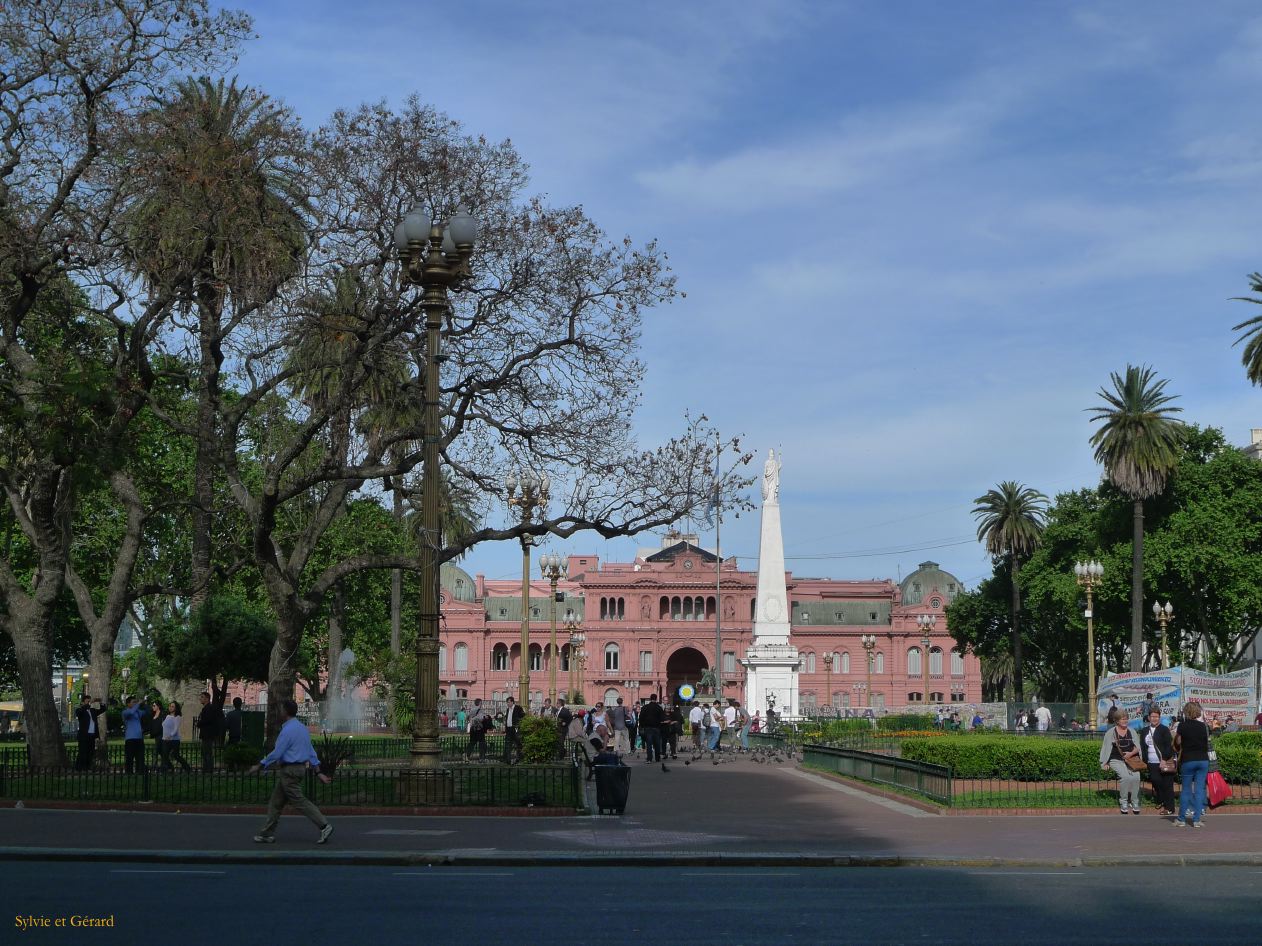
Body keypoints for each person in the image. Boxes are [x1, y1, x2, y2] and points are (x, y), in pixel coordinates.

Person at [250, 699, 333, 844]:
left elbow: (277, 753)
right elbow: (311, 751)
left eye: (281, 709)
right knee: (276, 802)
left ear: (285, 712)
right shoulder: (302, 728)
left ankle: (324, 825)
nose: (279, 712)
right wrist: (318, 772)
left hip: (290, 770)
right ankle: (266, 833)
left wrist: (260, 765)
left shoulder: (287, 730)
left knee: (299, 801)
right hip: (299, 769)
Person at [1173, 701, 1211, 828]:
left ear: (1186, 712)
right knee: (1200, 789)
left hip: (1188, 759)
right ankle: (1196, 820)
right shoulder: (1203, 726)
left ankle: (1181, 819)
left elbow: (1178, 742)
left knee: (1186, 790)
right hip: (1203, 759)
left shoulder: (1182, 726)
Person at [1099, 709, 1143, 814]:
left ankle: (1134, 801)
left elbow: (1138, 747)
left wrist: (1130, 754)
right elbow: (1105, 748)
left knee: (1136, 776)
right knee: (1125, 777)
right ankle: (1123, 801)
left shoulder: (1132, 731)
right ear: (1117, 721)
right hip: (1116, 759)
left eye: (1126, 719)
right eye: (1123, 719)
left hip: (1130, 759)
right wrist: (1104, 762)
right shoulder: (1111, 732)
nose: (1125, 721)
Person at [1139, 708, 1177, 816]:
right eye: (1152, 716)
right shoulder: (1144, 731)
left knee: (1167, 785)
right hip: (1151, 762)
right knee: (1156, 781)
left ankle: (1169, 808)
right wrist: (1144, 760)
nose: (1154, 719)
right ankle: (1161, 799)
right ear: (1149, 718)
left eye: (1156, 716)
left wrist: (1164, 759)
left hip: (1164, 761)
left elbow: (1168, 746)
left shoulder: (1164, 730)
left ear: (1159, 718)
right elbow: (1143, 746)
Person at [74, 696, 106, 771]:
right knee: (83, 752)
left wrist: (100, 702)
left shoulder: (92, 711)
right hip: (83, 735)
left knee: (90, 752)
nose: (89, 703)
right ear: (82, 702)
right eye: (87, 701)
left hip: (92, 735)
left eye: (89, 701)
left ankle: (88, 767)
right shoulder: (80, 710)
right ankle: (80, 767)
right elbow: (79, 713)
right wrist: (89, 704)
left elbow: (103, 709)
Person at [195, 692, 223, 774]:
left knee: (207, 752)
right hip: (207, 734)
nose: (200, 699)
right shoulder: (207, 708)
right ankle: (206, 768)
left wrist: (199, 723)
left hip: (208, 734)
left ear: (207, 698)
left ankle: (208, 769)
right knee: (205, 752)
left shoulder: (208, 708)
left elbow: (207, 720)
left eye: (202, 697)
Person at [161, 701, 192, 772]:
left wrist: (170, 736)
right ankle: (168, 770)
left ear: (176, 708)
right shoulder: (167, 716)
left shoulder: (177, 717)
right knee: (164, 756)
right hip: (165, 740)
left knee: (176, 756)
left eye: (172, 706)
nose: (170, 708)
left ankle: (187, 768)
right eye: (170, 706)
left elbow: (175, 729)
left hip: (174, 740)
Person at [121, 696, 148, 775]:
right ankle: (129, 772)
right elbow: (131, 712)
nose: (135, 703)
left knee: (140, 757)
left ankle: (139, 772)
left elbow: (146, 712)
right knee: (129, 757)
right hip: (130, 738)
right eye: (133, 702)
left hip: (139, 738)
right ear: (128, 704)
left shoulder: (138, 712)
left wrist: (144, 703)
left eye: (135, 702)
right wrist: (138, 704)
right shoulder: (125, 712)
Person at [638, 693, 664, 763]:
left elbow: (641, 718)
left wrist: (641, 726)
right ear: (656, 699)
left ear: (650, 698)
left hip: (647, 728)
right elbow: (662, 719)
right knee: (657, 744)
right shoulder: (659, 708)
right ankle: (657, 758)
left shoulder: (645, 707)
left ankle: (649, 758)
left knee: (649, 744)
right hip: (657, 728)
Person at [502, 696, 524, 764]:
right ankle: (507, 759)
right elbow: (508, 718)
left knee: (518, 744)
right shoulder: (508, 709)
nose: (507, 704)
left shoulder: (518, 708)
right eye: (507, 702)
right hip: (508, 729)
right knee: (507, 744)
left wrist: (518, 724)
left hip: (515, 729)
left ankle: (519, 758)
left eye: (508, 702)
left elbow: (523, 716)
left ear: (512, 702)